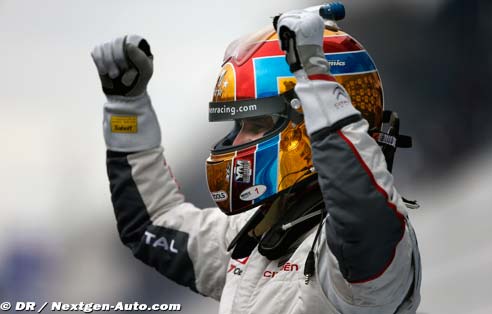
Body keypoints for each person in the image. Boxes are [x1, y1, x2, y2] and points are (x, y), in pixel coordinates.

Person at [92, 8, 421, 314]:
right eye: (238, 126)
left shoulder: (366, 255)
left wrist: (315, 78)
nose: (235, 141)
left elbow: (361, 214)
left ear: (305, 127)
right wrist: (126, 109)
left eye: (255, 125)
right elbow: (152, 224)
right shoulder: (254, 239)